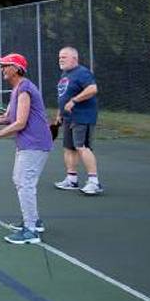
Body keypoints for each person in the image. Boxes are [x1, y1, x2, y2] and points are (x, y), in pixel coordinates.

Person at [0, 53, 54, 245]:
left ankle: (31, 231)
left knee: (25, 183)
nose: (2, 69)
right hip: (29, 144)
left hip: (35, 144)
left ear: (16, 69)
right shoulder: (17, 90)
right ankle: (34, 221)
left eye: (5, 65)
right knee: (20, 180)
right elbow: (7, 117)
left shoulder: (25, 89)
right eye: (1, 65)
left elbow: (20, 123)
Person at [53, 46, 102, 195]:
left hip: (83, 117)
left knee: (82, 147)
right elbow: (64, 96)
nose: (61, 59)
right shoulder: (65, 74)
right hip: (68, 118)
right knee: (69, 148)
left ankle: (94, 182)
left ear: (74, 58)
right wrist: (59, 114)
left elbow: (93, 89)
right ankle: (71, 180)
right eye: (60, 57)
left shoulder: (82, 72)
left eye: (64, 57)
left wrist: (74, 101)